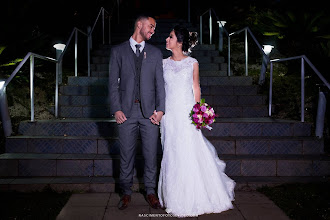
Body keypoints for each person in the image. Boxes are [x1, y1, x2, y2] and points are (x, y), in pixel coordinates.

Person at [157, 25, 235, 217]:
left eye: (171, 36)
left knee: (189, 150)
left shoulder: (192, 63)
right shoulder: (162, 63)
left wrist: (200, 111)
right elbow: (159, 89)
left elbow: (196, 88)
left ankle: (195, 196)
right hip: (169, 115)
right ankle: (174, 196)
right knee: (171, 151)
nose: (167, 39)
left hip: (186, 113)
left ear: (180, 42)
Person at [108, 14, 165, 210]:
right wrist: (116, 109)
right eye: (151, 26)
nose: (153, 30)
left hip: (150, 114)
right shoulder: (118, 51)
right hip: (126, 112)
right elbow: (112, 85)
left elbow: (160, 85)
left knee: (150, 155)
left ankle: (150, 191)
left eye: (154, 28)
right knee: (126, 156)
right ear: (139, 25)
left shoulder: (156, 53)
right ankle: (125, 192)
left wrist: (161, 110)